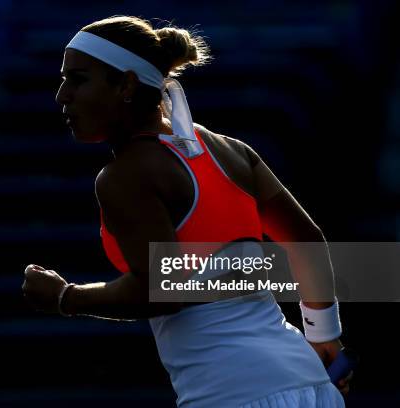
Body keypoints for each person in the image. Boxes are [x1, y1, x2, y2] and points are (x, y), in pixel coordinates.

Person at [22, 15, 353, 407]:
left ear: (126, 85)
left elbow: (158, 292)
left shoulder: (125, 175)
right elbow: (306, 242)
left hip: (231, 395)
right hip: (313, 385)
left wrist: (67, 297)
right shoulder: (230, 149)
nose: (62, 95)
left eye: (77, 79)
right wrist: (323, 337)